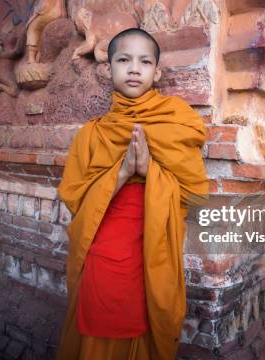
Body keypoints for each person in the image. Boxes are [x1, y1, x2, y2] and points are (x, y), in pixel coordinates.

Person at [56, 27, 209, 360]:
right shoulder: (91, 135)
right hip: (105, 248)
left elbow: (195, 194)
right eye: (124, 60)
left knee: (148, 319)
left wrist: (149, 173)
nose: (134, 68)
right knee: (102, 328)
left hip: (156, 246)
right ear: (109, 69)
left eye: (144, 61)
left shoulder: (177, 121)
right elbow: (74, 198)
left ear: (157, 72)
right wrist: (123, 173)